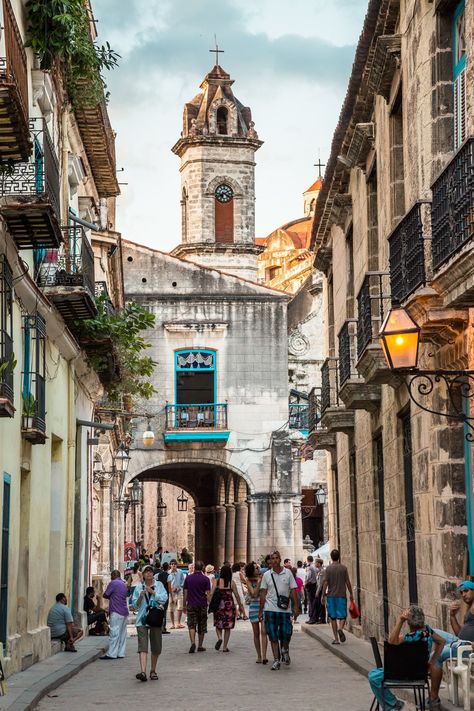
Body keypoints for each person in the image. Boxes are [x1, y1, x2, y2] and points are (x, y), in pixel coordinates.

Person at [368, 606, 444, 710]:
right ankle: (393, 705)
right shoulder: (428, 631)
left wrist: (400, 620)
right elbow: (441, 641)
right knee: (376, 675)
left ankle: (393, 705)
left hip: (401, 672)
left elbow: (391, 641)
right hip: (419, 673)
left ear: (409, 622)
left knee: (373, 677)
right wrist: (432, 661)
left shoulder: (409, 637)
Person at [429, 581, 474, 707]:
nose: (463, 594)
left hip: (466, 647)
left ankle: (434, 698)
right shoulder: (470, 607)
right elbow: (459, 633)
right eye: (461, 592)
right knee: (429, 631)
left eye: (466, 591)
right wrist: (452, 616)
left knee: (436, 657)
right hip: (459, 641)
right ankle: (429, 666)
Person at [259, 550, 299, 670]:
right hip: (270, 609)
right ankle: (276, 660)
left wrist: (296, 607)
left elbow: (293, 590)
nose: (274, 560)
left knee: (286, 634)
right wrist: (261, 610)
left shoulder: (288, 573)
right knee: (273, 635)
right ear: (270, 561)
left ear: (280, 559)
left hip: (285, 610)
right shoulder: (266, 575)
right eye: (272, 558)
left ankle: (284, 649)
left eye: (277, 558)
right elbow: (263, 593)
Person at [131, 565, 168, 681]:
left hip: (155, 618)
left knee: (156, 647)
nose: (148, 573)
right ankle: (143, 672)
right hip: (142, 619)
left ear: (153, 573)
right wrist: (140, 597)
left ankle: (153, 670)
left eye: (150, 571)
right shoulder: (138, 587)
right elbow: (134, 606)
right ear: (143, 574)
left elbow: (164, 598)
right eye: (146, 572)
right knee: (143, 647)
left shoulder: (159, 585)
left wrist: (153, 592)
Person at [321, 549, 353, 644]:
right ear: (339, 557)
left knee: (333, 617)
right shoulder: (343, 568)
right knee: (343, 615)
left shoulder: (328, 569)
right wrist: (351, 593)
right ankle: (341, 628)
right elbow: (347, 582)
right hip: (341, 595)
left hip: (331, 596)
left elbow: (325, 582)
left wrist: (323, 595)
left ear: (331, 557)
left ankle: (336, 639)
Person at [214, 564, 244, 652]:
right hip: (229, 606)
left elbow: (212, 593)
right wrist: (240, 606)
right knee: (227, 627)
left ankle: (220, 638)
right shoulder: (232, 582)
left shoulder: (217, 581)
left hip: (219, 605)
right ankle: (224, 647)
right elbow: (237, 595)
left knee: (218, 624)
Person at [183, 560, 211, 653]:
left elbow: (185, 593)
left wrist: (184, 605)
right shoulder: (206, 579)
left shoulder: (188, 578)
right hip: (202, 604)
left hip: (191, 604)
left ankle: (192, 642)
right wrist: (210, 604)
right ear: (202, 568)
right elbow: (207, 594)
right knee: (202, 625)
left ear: (194, 568)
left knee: (191, 625)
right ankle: (200, 645)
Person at [100, 570, 129, 660]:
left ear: (113, 575)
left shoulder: (113, 583)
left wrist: (110, 596)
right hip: (124, 611)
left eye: (111, 575)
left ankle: (112, 653)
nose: (111, 577)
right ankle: (120, 653)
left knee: (114, 632)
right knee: (122, 634)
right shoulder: (123, 584)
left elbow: (105, 594)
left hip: (116, 611)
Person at [245, 561, 268, 664]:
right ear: (251, 570)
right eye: (255, 568)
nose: (258, 569)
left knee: (264, 631)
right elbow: (253, 594)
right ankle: (258, 655)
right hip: (254, 607)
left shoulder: (264, 578)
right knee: (256, 633)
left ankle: (264, 656)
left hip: (263, 607)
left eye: (258, 567)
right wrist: (259, 583)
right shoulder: (249, 581)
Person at [168, 559, 186, 629]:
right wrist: (171, 589)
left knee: (180, 607)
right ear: (170, 565)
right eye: (172, 564)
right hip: (171, 592)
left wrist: (180, 587)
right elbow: (168, 583)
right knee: (171, 609)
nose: (173, 565)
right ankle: (172, 624)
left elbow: (182, 580)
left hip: (179, 591)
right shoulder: (168, 573)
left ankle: (178, 622)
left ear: (176, 565)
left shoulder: (180, 571)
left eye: (174, 564)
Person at [154, 562, 171, 633]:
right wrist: (171, 595)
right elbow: (169, 588)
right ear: (168, 568)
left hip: (158, 593)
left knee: (158, 609)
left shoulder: (157, 575)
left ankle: (157, 626)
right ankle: (163, 627)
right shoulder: (169, 576)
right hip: (165, 595)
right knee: (164, 611)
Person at [304, 555, 318, 623]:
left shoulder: (309, 567)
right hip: (315, 585)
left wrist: (305, 583)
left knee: (311, 602)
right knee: (313, 602)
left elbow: (308, 576)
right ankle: (314, 617)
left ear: (307, 560)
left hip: (310, 585)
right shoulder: (315, 566)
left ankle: (312, 618)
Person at [314, 558, 326, 623]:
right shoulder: (319, 571)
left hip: (321, 590)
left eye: (316, 562)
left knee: (321, 605)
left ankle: (322, 619)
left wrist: (317, 592)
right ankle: (320, 618)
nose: (315, 564)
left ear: (319, 563)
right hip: (319, 589)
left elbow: (321, 583)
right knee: (319, 605)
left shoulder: (322, 571)